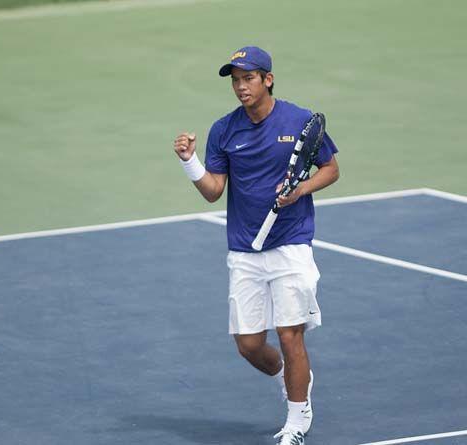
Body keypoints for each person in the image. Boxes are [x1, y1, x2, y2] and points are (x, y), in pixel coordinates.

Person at [173, 46, 339, 445]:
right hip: (245, 251)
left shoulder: (300, 121)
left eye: (248, 78)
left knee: (289, 334)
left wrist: (300, 189)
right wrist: (188, 161)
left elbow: (331, 169)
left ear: (268, 79)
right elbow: (214, 191)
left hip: (290, 245)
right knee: (249, 345)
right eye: (235, 79)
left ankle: (297, 421)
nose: (240, 86)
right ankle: (291, 376)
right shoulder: (224, 130)